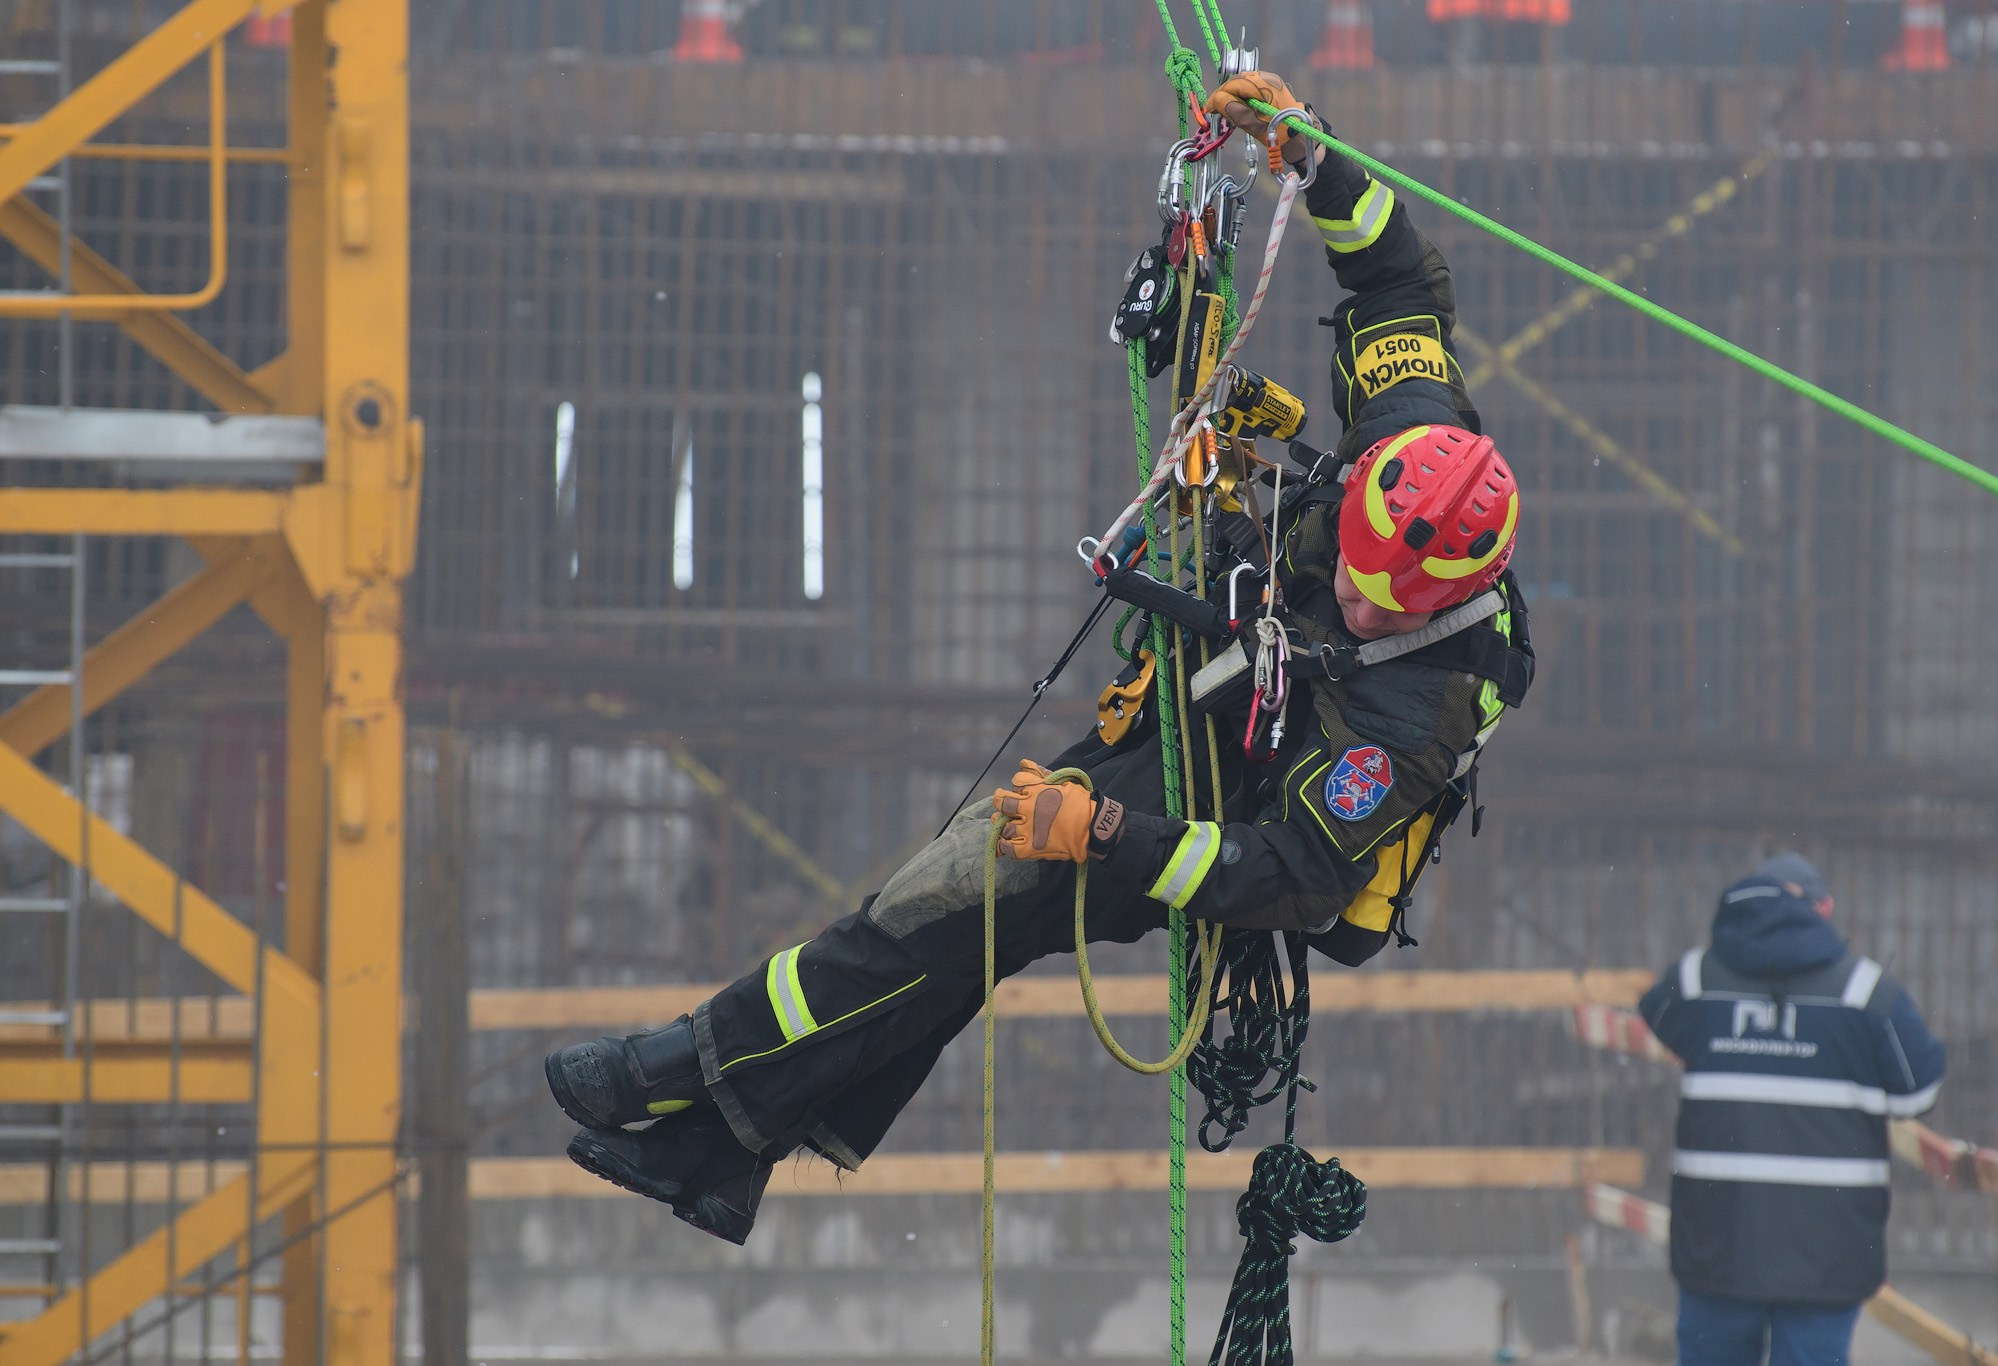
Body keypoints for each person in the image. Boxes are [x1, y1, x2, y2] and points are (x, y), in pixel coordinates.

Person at [543, 73, 1534, 1244]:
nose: (1355, 607)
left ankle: (685, 1066)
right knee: (965, 923)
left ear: (1448, 595)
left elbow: (1295, 874)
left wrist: (1110, 836)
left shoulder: (1423, 705)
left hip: (1239, 803)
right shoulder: (1416, 427)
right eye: (1348, 572)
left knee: (958, 892)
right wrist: (1310, 157)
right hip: (1214, 706)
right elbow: (1391, 273)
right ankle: (720, 1152)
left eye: (1380, 606)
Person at [1635, 854, 1946, 1366]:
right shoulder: (1869, 996)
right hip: (1828, 1243)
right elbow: (1919, 1093)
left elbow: (1656, 1019)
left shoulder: (1695, 980)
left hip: (1721, 1235)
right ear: (1820, 910)